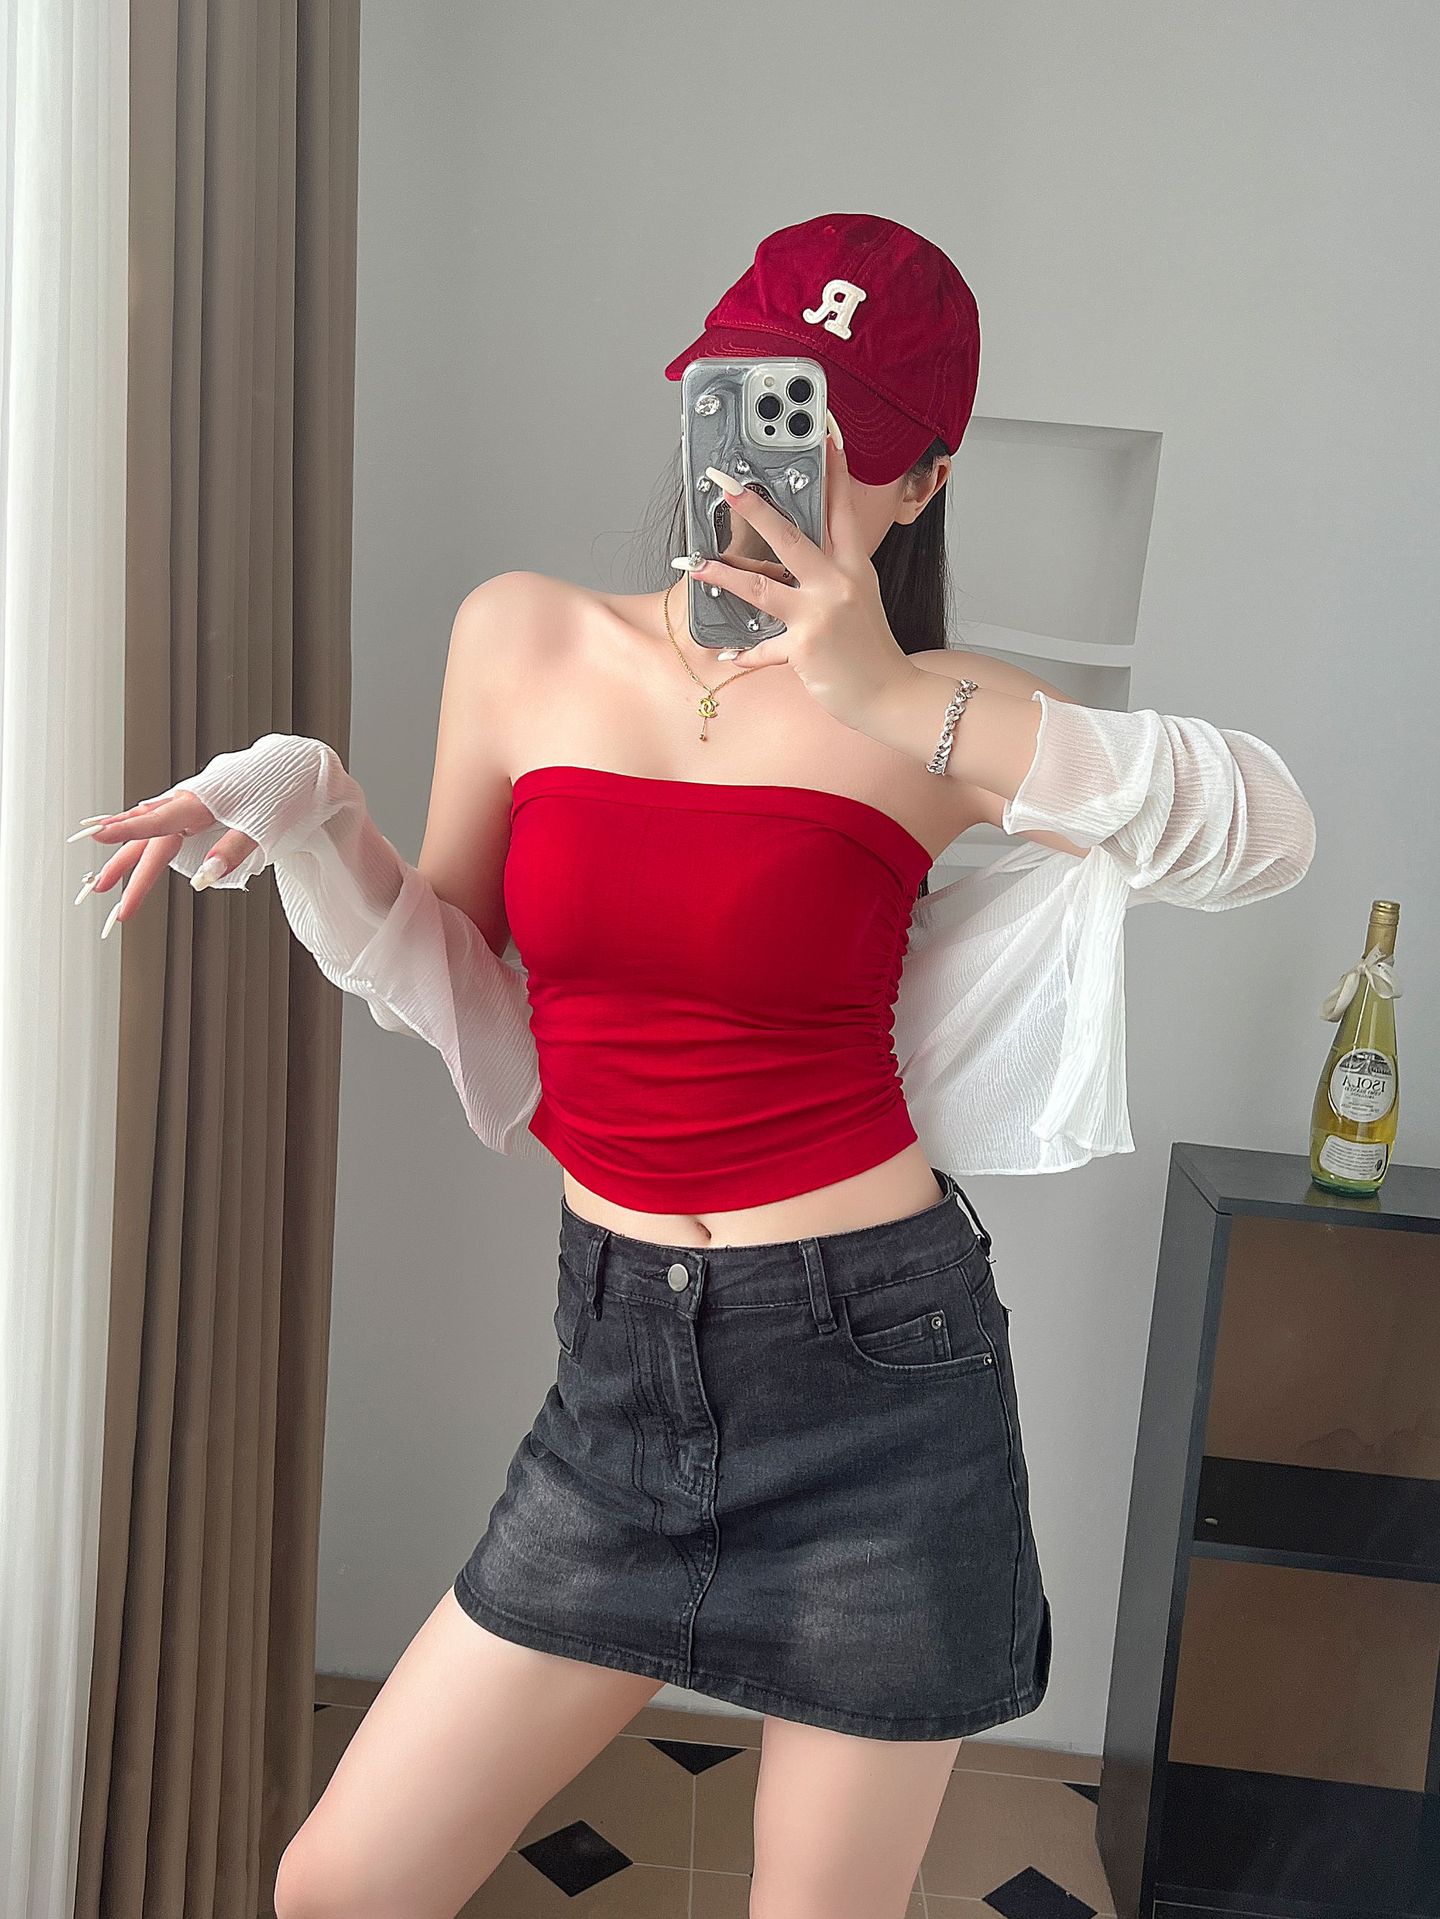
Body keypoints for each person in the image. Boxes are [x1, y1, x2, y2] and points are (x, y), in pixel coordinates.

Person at [67, 215, 1316, 1919]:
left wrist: (886, 696)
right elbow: (459, 975)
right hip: (619, 1376)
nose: (774, 467)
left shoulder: (939, 712)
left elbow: (1267, 833)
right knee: (338, 1889)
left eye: (848, 430)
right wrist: (312, 810)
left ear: (922, 485)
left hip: (878, 1382)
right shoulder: (526, 637)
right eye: (756, 400)